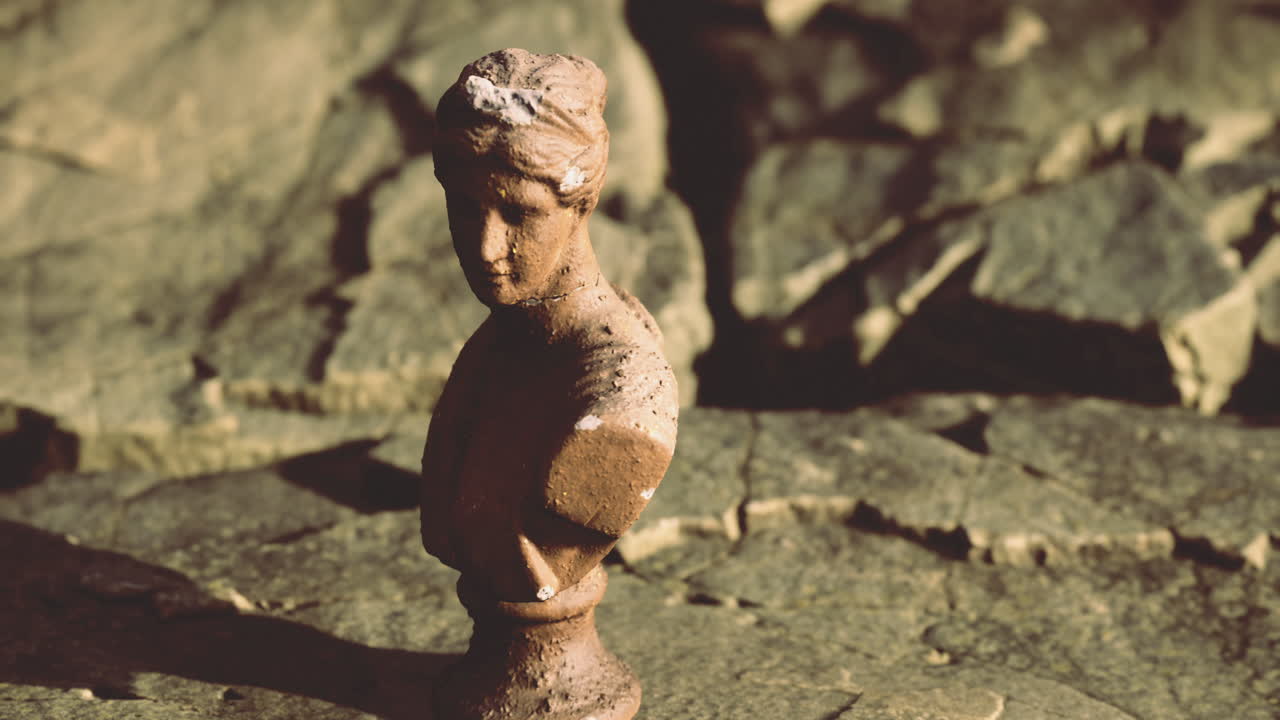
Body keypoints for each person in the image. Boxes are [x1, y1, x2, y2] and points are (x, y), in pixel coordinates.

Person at [421, 48, 678, 606]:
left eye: (519, 214)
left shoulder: (621, 403)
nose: (486, 248)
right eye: (466, 208)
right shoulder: (499, 342)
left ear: (580, 205)